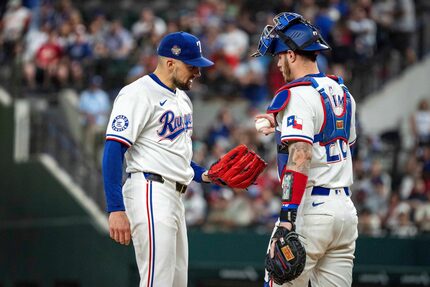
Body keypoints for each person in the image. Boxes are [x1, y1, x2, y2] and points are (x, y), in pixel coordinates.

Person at [252, 12, 358, 286]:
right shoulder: (343, 92)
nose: (277, 63)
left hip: (310, 209)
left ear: (291, 54)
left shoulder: (295, 94)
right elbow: (330, 135)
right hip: (344, 211)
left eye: (278, 55)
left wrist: (287, 218)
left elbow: (301, 155)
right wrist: (279, 123)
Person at [102, 31, 214, 287]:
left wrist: (207, 174)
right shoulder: (137, 93)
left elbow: (178, 158)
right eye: (192, 66)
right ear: (170, 62)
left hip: (175, 197)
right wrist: (115, 208)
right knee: (157, 282)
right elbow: (113, 150)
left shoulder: (183, 99)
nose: (197, 72)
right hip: (149, 191)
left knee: (175, 283)